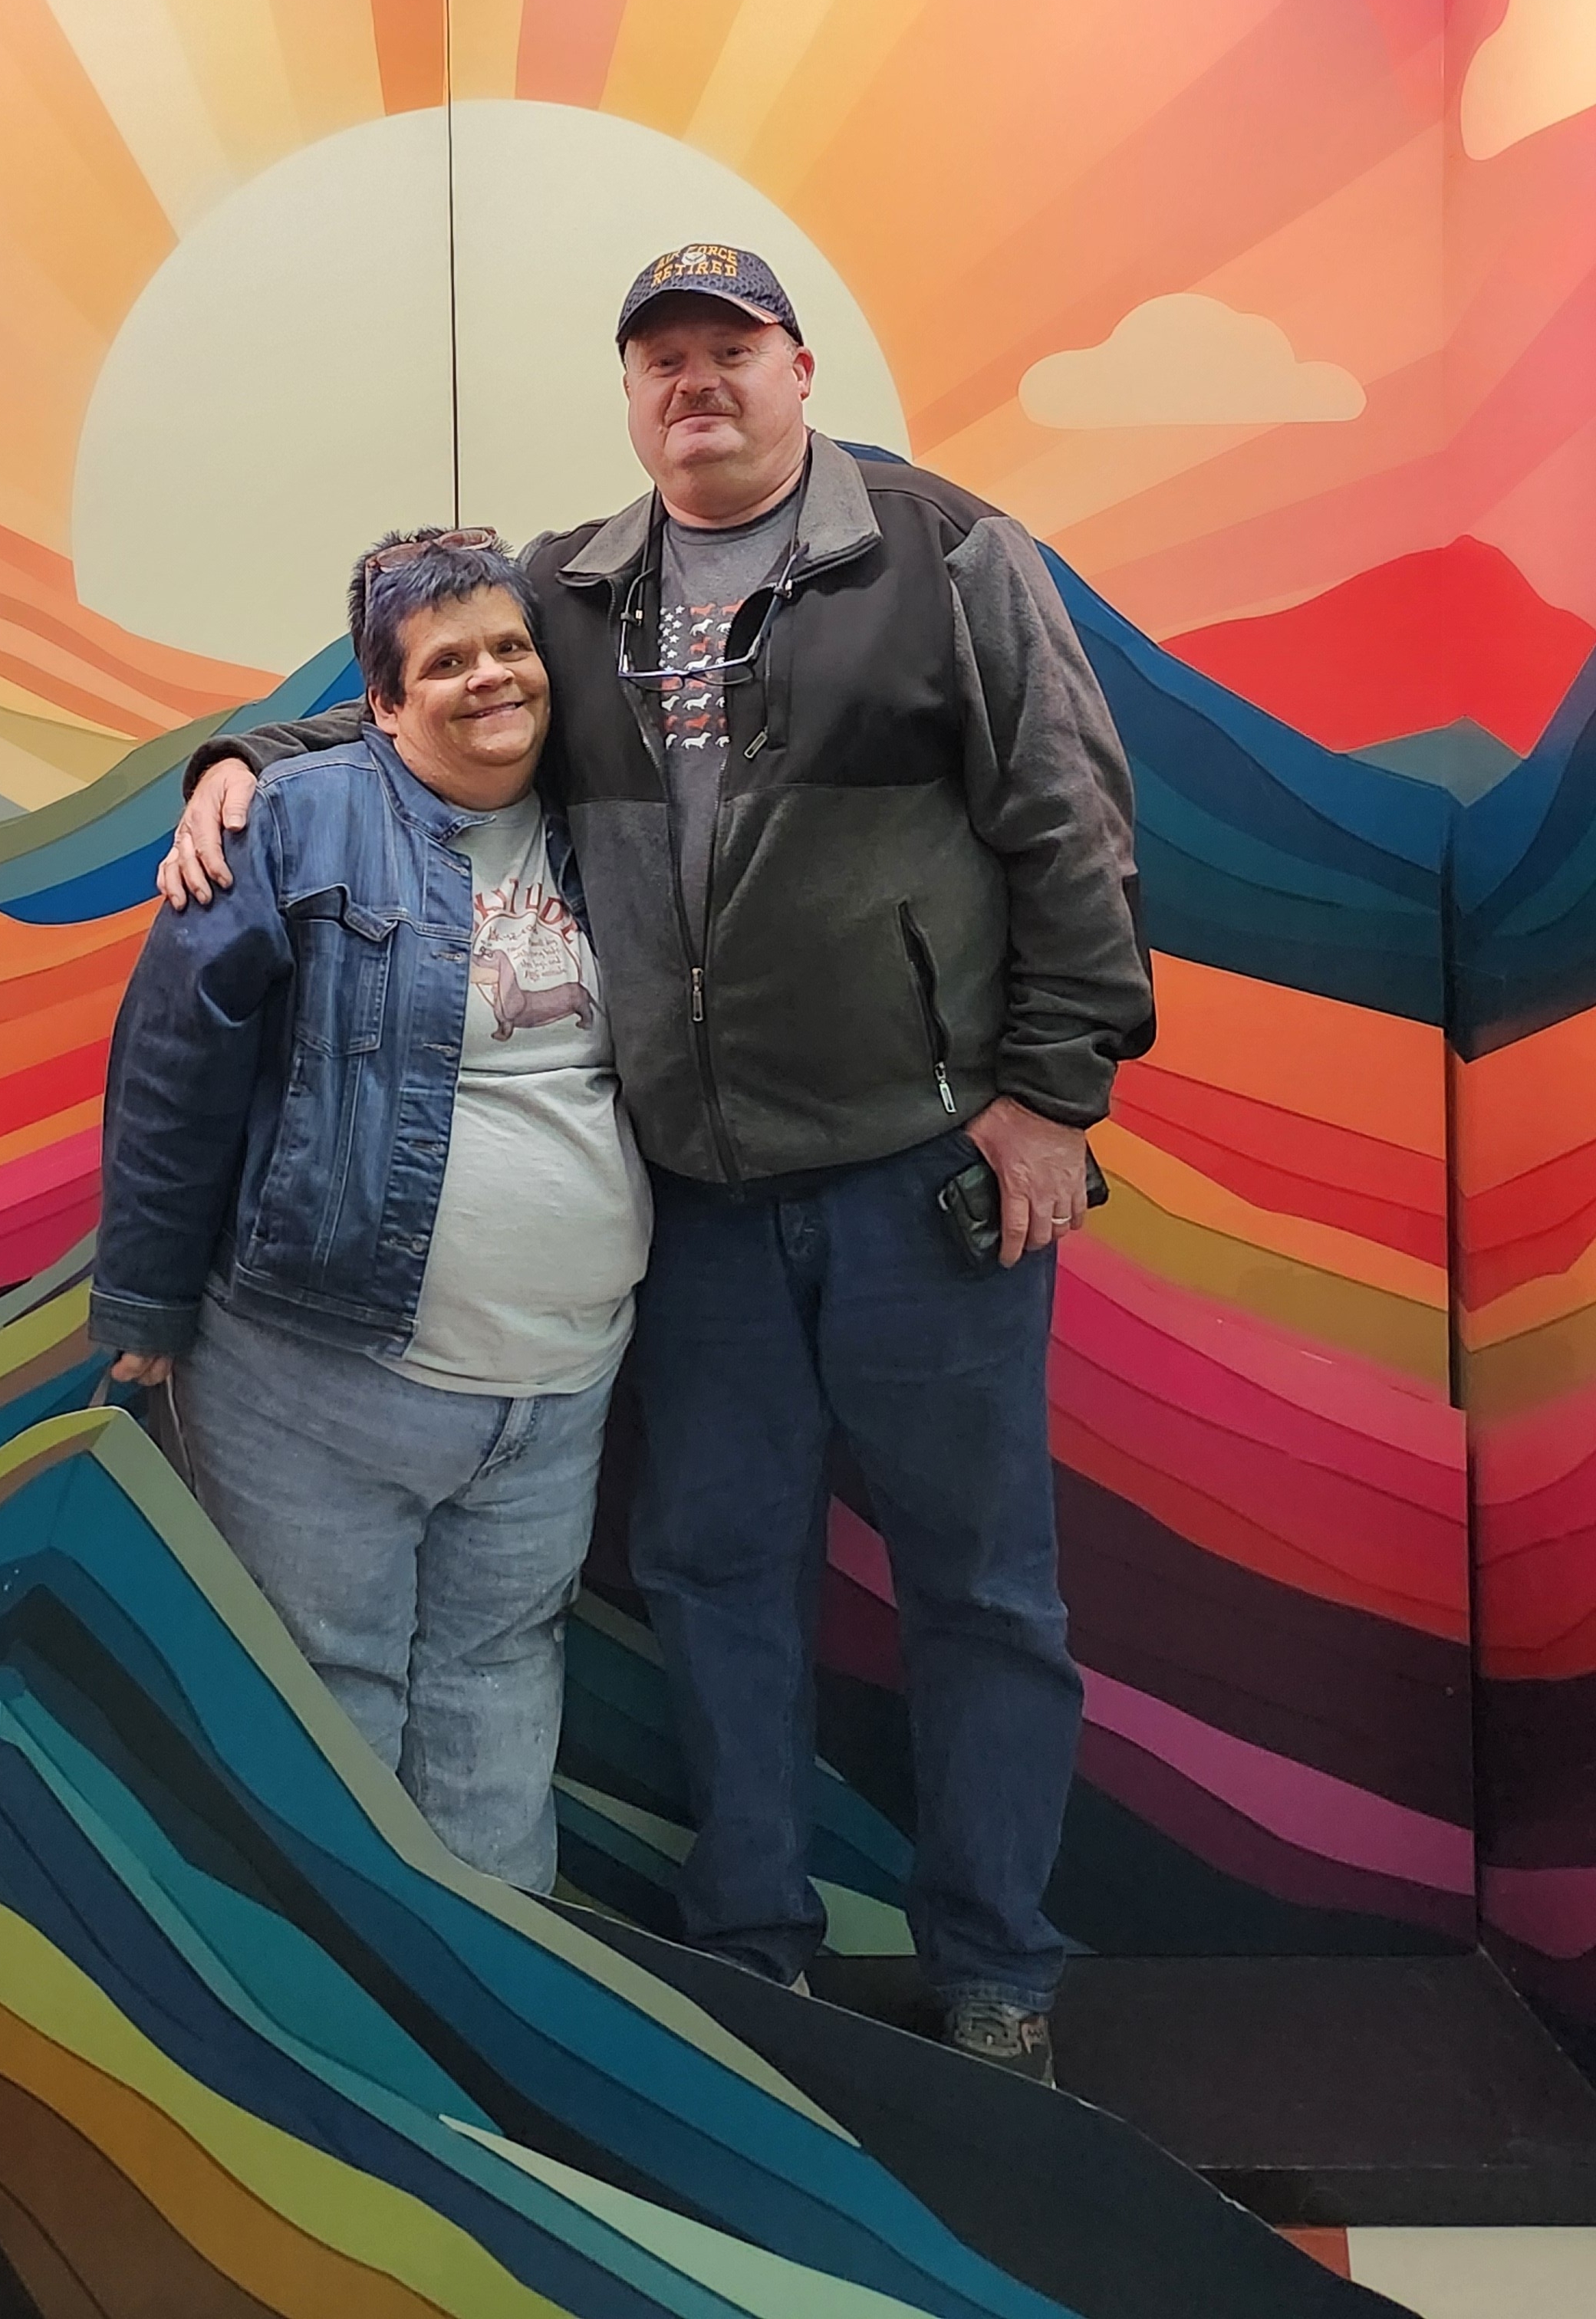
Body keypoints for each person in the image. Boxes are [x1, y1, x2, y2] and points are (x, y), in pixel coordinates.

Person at [161, 242, 1154, 2083]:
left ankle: (998, 1970)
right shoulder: (572, 588)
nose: (695, 381)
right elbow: (422, 696)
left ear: (799, 367)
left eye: (728, 348)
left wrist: (1054, 1097)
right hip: (692, 1201)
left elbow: (1073, 825)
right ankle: (755, 1951)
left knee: (982, 1588)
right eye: (661, 359)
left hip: (925, 1183)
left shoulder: (946, 556)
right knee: (713, 1574)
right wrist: (243, 756)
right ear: (630, 396)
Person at [91, 530, 650, 1896]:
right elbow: (173, 1065)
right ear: (384, 705)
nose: (491, 677)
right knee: (325, 1701)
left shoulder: (614, 810)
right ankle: (333, 1999)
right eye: (446, 663)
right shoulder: (293, 821)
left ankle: (488, 1988)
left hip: (560, 1387)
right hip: (321, 1376)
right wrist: (144, 1298)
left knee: (500, 1682)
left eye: (510, 647)